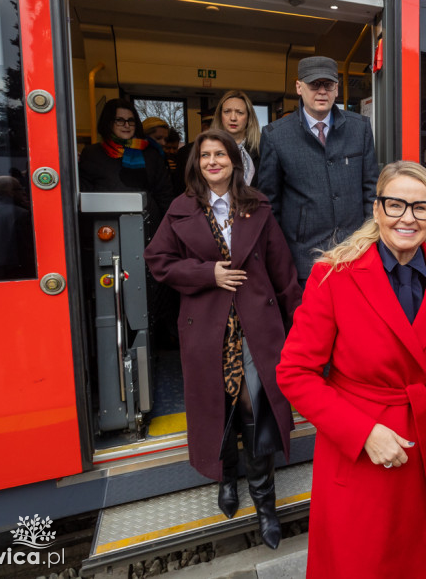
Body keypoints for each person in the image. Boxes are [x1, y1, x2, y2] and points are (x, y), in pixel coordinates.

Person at [276, 161, 426, 578]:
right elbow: (294, 372)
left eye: (420, 208)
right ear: (377, 210)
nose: (407, 218)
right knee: (361, 562)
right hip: (362, 456)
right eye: (395, 205)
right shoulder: (334, 276)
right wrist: (362, 434)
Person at [144, 128, 301, 550]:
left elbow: (283, 271)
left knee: (257, 411)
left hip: (257, 326)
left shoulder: (258, 207)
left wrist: (297, 326)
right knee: (220, 409)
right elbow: (158, 261)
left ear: (235, 161)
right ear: (196, 163)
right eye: (205, 155)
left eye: (221, 154)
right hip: (206, 327)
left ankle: (265, 505)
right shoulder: (180, 209)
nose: (213, 161)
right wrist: (206, 273)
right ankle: (227, 479)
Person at [255, 56, 378, 283]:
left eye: (328, 84)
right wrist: (279, 259)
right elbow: (270, 205)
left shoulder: (359, 128)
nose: (322, 91)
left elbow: (371, 190)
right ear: (299, 87)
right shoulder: (276, 136)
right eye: (314, 84)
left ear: (337, 89)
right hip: (304, 259)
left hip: (356, 253)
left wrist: (368, 242)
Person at [78, 98, 173, 237]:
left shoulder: (151, 153)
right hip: (105, 227)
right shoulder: (92, 154)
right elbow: (85, 194)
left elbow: (164, 194)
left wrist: (169, 229)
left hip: (148, 227)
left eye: (131, 120)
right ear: (108, 122)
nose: (126, 125)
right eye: (120, 120)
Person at [214, 90, 262, 185]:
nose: (233, 118)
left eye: (239, 112)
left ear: (249, 117)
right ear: (220, 116)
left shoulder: (262, 149)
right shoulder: (208, 149)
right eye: (227, 112)